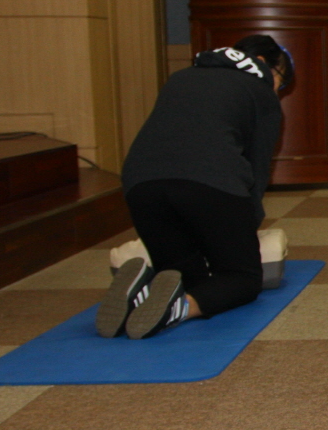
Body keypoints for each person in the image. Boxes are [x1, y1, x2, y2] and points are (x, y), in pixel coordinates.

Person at [98, 35, 293, 339]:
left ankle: (139, 295)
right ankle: (178, 309)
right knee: (242, 278)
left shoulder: (182, 77)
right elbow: (257, 167)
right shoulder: (259, 92)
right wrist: (245, 226)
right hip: (211, 178)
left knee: (185, 275)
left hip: (140, 183)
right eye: (281, 81)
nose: (277, 89)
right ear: (263, 63)